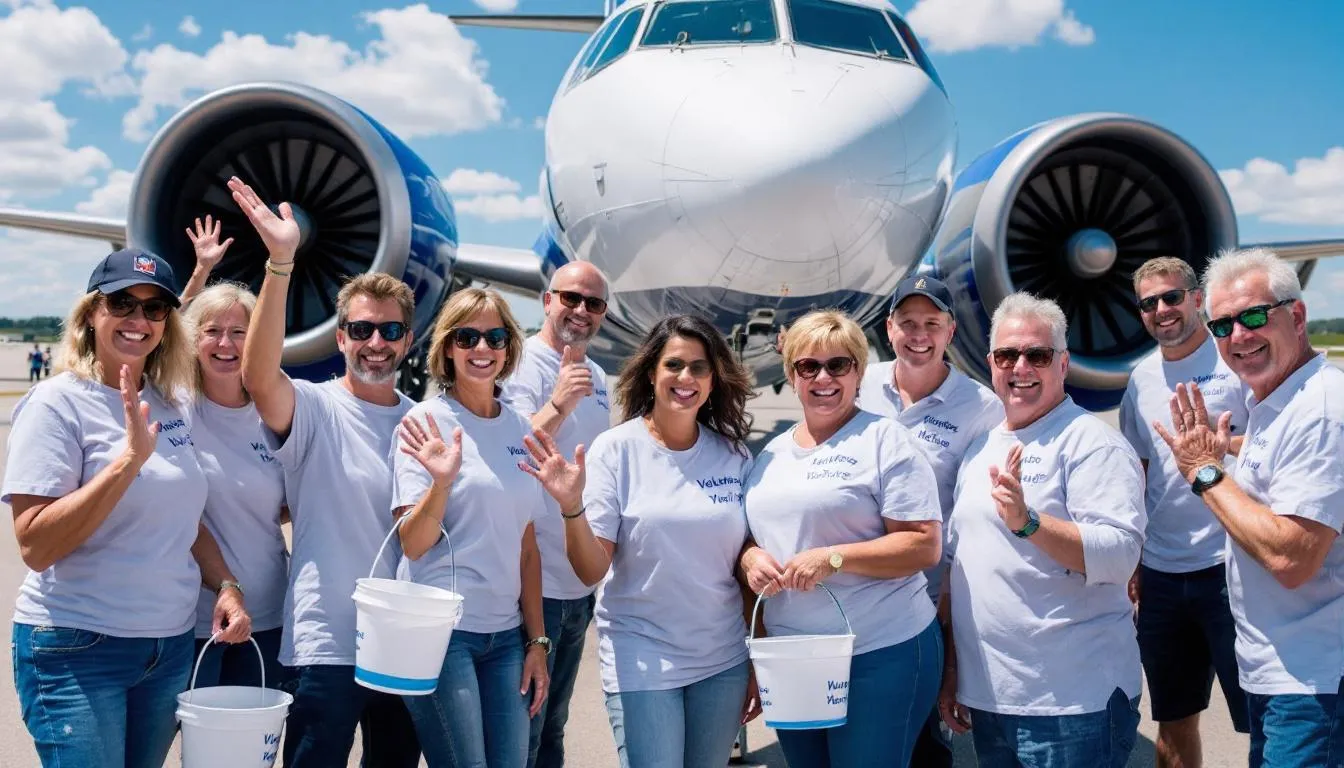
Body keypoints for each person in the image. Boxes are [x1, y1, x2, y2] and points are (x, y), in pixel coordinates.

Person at [4, 247, 249, 767]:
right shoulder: (56, 404)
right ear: (92, 313)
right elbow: (36, 545)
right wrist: (127, 464)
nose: (138, 319)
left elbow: (185, 518)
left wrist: (225, 584)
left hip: (167, 647)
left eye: (155, 308)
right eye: (122, 303)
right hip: (77, 647)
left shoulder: (170, 402)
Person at [231, 176, 421, 767]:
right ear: (341, 338)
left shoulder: (425, 422)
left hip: (403, 643)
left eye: (389, 331)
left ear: (407, 340)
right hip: (327, 641)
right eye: (361, 330)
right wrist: (280, 264)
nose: (375, 343)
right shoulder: (314, 407)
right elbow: (259, 377)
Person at [519, 314, 761, 768]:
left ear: (713, 380)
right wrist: (572, 507)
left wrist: (757, 654)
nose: (685, 377)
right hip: (642, 655)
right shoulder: (615, 450)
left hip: (722, 658)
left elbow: (743, 565)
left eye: (699, 367)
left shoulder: (734, 455)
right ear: (652, 372)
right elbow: (592, 570)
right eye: (673, 365)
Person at [1156, 247, 1344, 767]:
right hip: (1280, 670)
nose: (1239, 336)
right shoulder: (1273, 401)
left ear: (1298, 316)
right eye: (1222, 325)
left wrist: (1205, 474)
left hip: (1315, 682)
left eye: (1255, 316)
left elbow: (1292, 558)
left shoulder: (1322, 410)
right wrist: (1225, 452)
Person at [939, 292, 1145, 767]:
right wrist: (953, 670)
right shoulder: (982, 448)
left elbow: (1118, 558)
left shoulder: (1092, 444)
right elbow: (960, 568)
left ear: (1063, 363)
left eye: (1038, 354)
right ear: (990, 362)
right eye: (1008, 355)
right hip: (992, 701)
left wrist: (1028, 522)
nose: (1021, 367)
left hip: (1073, 705)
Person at [742, 309, 944, 766]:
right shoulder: (771, 453)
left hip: (879, 651)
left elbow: (923, 545)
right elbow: (753, 537)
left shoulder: (883, 439)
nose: (823, 378)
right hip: (793, 658)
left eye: (838, 365)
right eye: (807, 366)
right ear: (791, 374)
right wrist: (750, 558)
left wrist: (833, 558)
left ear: (858, 371)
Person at [391, 286, 550, 768]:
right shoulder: (425, 421)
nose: (482, 349)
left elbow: (527, 548)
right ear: (447, 347)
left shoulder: (521, 427)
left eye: (495, 337)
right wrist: (441, 483)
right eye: (467, 337)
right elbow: (413, 544)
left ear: (509, 348)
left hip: (503, 637)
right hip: (441, 633)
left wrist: (537, 643)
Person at [856, 276, 1002, 766]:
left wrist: (948, 607)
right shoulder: (857, 385)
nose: (919, 335)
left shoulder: (981, 409)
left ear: (951, 331)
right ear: (888, 327)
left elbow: (971, 516)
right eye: (908, 323)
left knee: (919, 739)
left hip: (924, 605)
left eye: (932, 324)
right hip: (852, 594)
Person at [1117, 256, 1250, 765]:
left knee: (1263, 717)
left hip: (1233, 564)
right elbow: (1140, 474)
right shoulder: (1141, 379)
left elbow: (1269, 442)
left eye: (1172, 296)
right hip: (1163, 576)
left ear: (1198, 299)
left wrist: (1219, 447)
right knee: (1173, 721)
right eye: (1149, 303)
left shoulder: (1234, 361)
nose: (1162, 309)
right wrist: (1135, 558)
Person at [498, 261, 613, 768]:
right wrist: (560, 401)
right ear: (547, 300)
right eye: (570, 298)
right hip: (531, 582)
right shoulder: (518, 364)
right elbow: (508, 452)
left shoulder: (602, 377)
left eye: (594, 303)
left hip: (578, 586)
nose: (580, 311)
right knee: (523, 725)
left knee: (553, 727)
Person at [183, 279, 291, 690]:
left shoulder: (276, 415)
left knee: (249, 746)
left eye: (239, 332)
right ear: (194, 339)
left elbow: (289, 501)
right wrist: (199, 273)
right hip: (193, 619)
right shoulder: (174, 409)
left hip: (268, 614)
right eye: (211, 331)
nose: (224, 343)